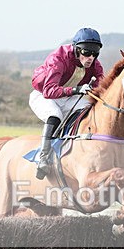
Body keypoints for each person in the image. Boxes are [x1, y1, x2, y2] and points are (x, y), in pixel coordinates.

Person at [29, 27, 105, 179]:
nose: (91, 57)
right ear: (76, 50)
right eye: (86, 52)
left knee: (88, 110)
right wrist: (76, 90)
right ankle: (43, 158)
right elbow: (49, 91)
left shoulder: (95, 65)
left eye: (95, 53)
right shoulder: (58, 59)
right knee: (55, 115)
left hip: (68, 97)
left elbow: (103, 88)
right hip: (43, 95)